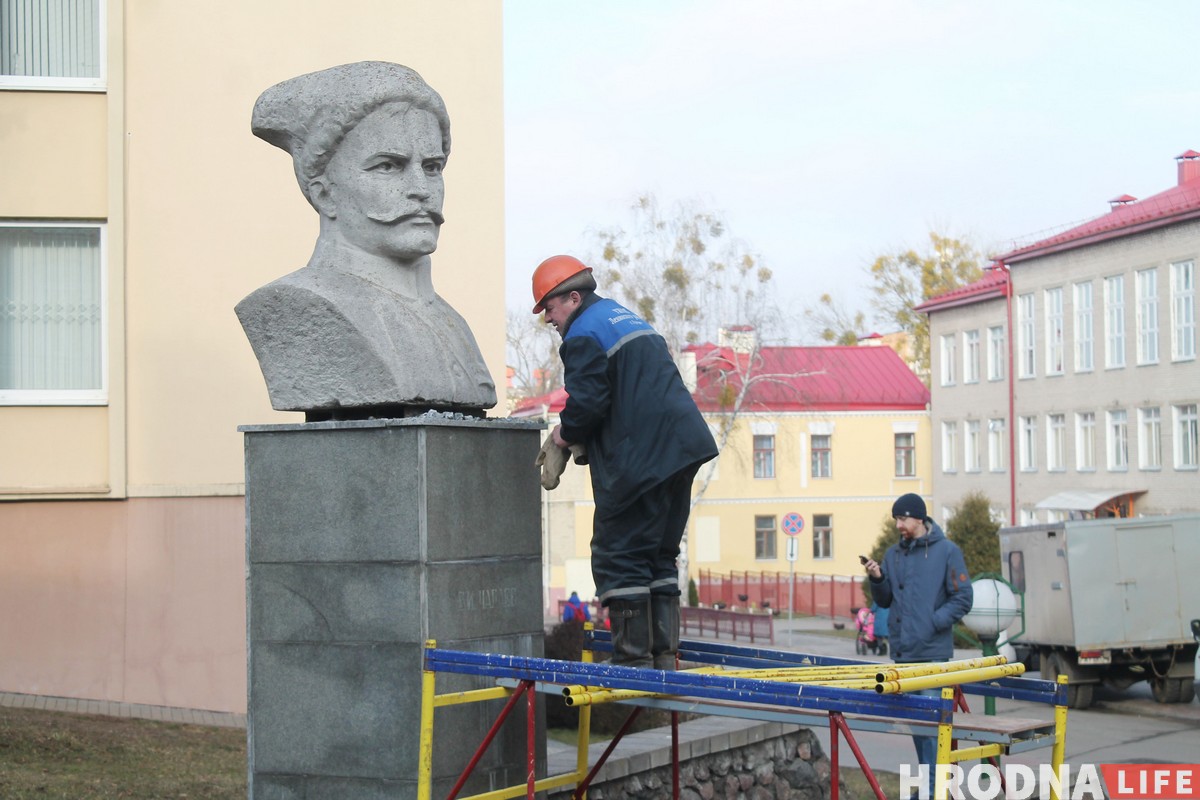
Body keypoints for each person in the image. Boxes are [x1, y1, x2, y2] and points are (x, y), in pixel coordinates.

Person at [237, 62, 496, 419]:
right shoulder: (300, 305)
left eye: (432, 167)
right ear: (324, 193)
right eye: (388, 166)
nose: (421, 190)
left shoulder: (455, 324)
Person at [532, 255, 718, 669]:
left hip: (643, 457)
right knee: (658, 554)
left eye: (550, 306)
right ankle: (664, 656)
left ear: (574, 298)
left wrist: (564, 435)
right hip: (683, 447)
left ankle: (633, 664)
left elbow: (590, 402)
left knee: (618, 551)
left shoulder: (581, 333)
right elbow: (629, 389)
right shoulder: (625, 318)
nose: (548, 318)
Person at [863, 492, 973, 799]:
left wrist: (935, 621)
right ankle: (930, 788)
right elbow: (884, 601)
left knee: (934, 728)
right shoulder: (893, 555)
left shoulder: (947, 552)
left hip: (933, 654)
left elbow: (963, 596)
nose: (899, 524)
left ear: (919, 519)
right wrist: (877, 578)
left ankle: (936, 790)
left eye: (903, 519)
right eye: (896, 519)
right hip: (904, 655)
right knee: (918, 726)